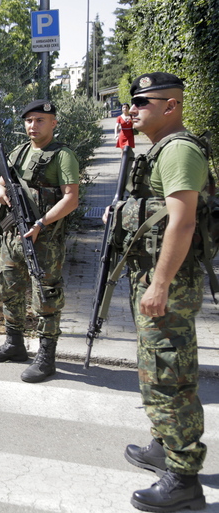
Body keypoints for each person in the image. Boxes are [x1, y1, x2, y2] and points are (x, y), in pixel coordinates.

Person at [116, 73, 208, 512]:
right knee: (155, 368)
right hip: (151, 278)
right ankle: (163, 446)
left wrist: (160, 283)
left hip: (166, 284)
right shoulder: (158, 149)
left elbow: (183, 222)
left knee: (170, 376)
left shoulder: (180, 151)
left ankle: (184, 478)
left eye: (142, 103)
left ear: (171, 106)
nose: (133, 110)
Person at [0, 99, 80, 384]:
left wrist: (41, 223)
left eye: (39, 120)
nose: (33, 126)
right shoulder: (19, 151)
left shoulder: (62, 156)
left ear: (53, 123)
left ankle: (46, 357)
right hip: (13, 235)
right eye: (29, 121)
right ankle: (15, 344)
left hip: (44, 240)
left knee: (46, 296)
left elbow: (71, 198)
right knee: (8, 287)